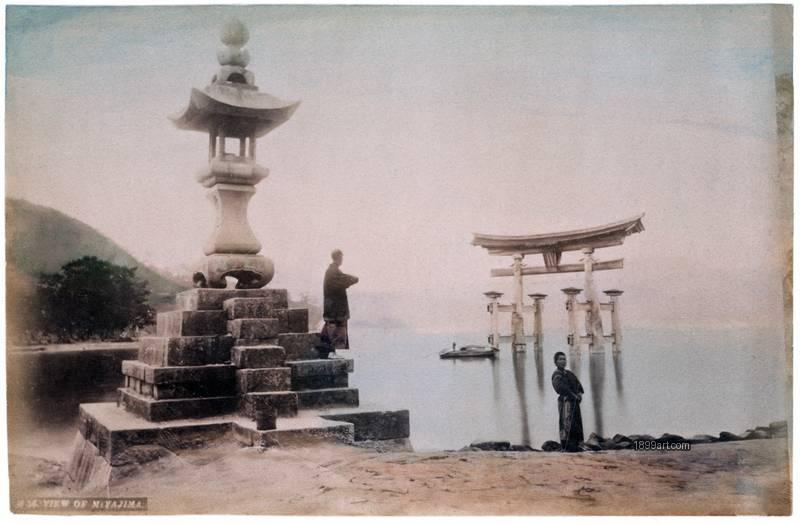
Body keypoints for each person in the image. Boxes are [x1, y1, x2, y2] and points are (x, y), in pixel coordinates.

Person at [319, 249, 358, 359]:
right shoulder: (332, 271)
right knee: (334, 328)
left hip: (333, 306)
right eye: (341, 257)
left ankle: (329, 352)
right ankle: (331, 352)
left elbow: (343, 279)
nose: (342, 260)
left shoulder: (333, 271)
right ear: (338, 258)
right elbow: (343, 280)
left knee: (330, 328)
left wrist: (352, 279)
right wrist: (354, 279)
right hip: (334, 307)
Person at [551, 351, 584, 452]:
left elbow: (579, 385)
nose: (563, 361)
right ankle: (567, 445)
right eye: (560, 359)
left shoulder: (569, 373)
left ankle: (577, 443)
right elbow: (560, 388)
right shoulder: (556, 375)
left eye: (564, 359)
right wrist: (573, 395)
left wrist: (579, 394)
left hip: (574, 402)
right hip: (565, 402)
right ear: (555, 362)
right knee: (566, 422)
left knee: (576, 422)